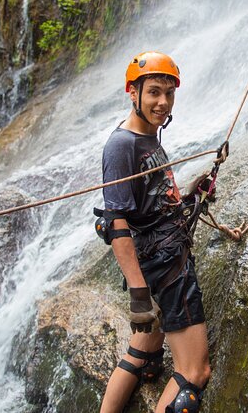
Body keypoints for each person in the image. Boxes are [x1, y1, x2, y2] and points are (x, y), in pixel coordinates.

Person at [97, 51, 212, 413]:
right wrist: (139, 293)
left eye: (169, 93)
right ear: (133, 93)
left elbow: (151, 199)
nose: (163, 102)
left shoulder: (147, 136)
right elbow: (115, 224)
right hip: (164, 268)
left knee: (142, 351)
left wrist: (192, 194)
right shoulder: (122, 145)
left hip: (162, 255)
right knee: (194, 372)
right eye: (153, 92)